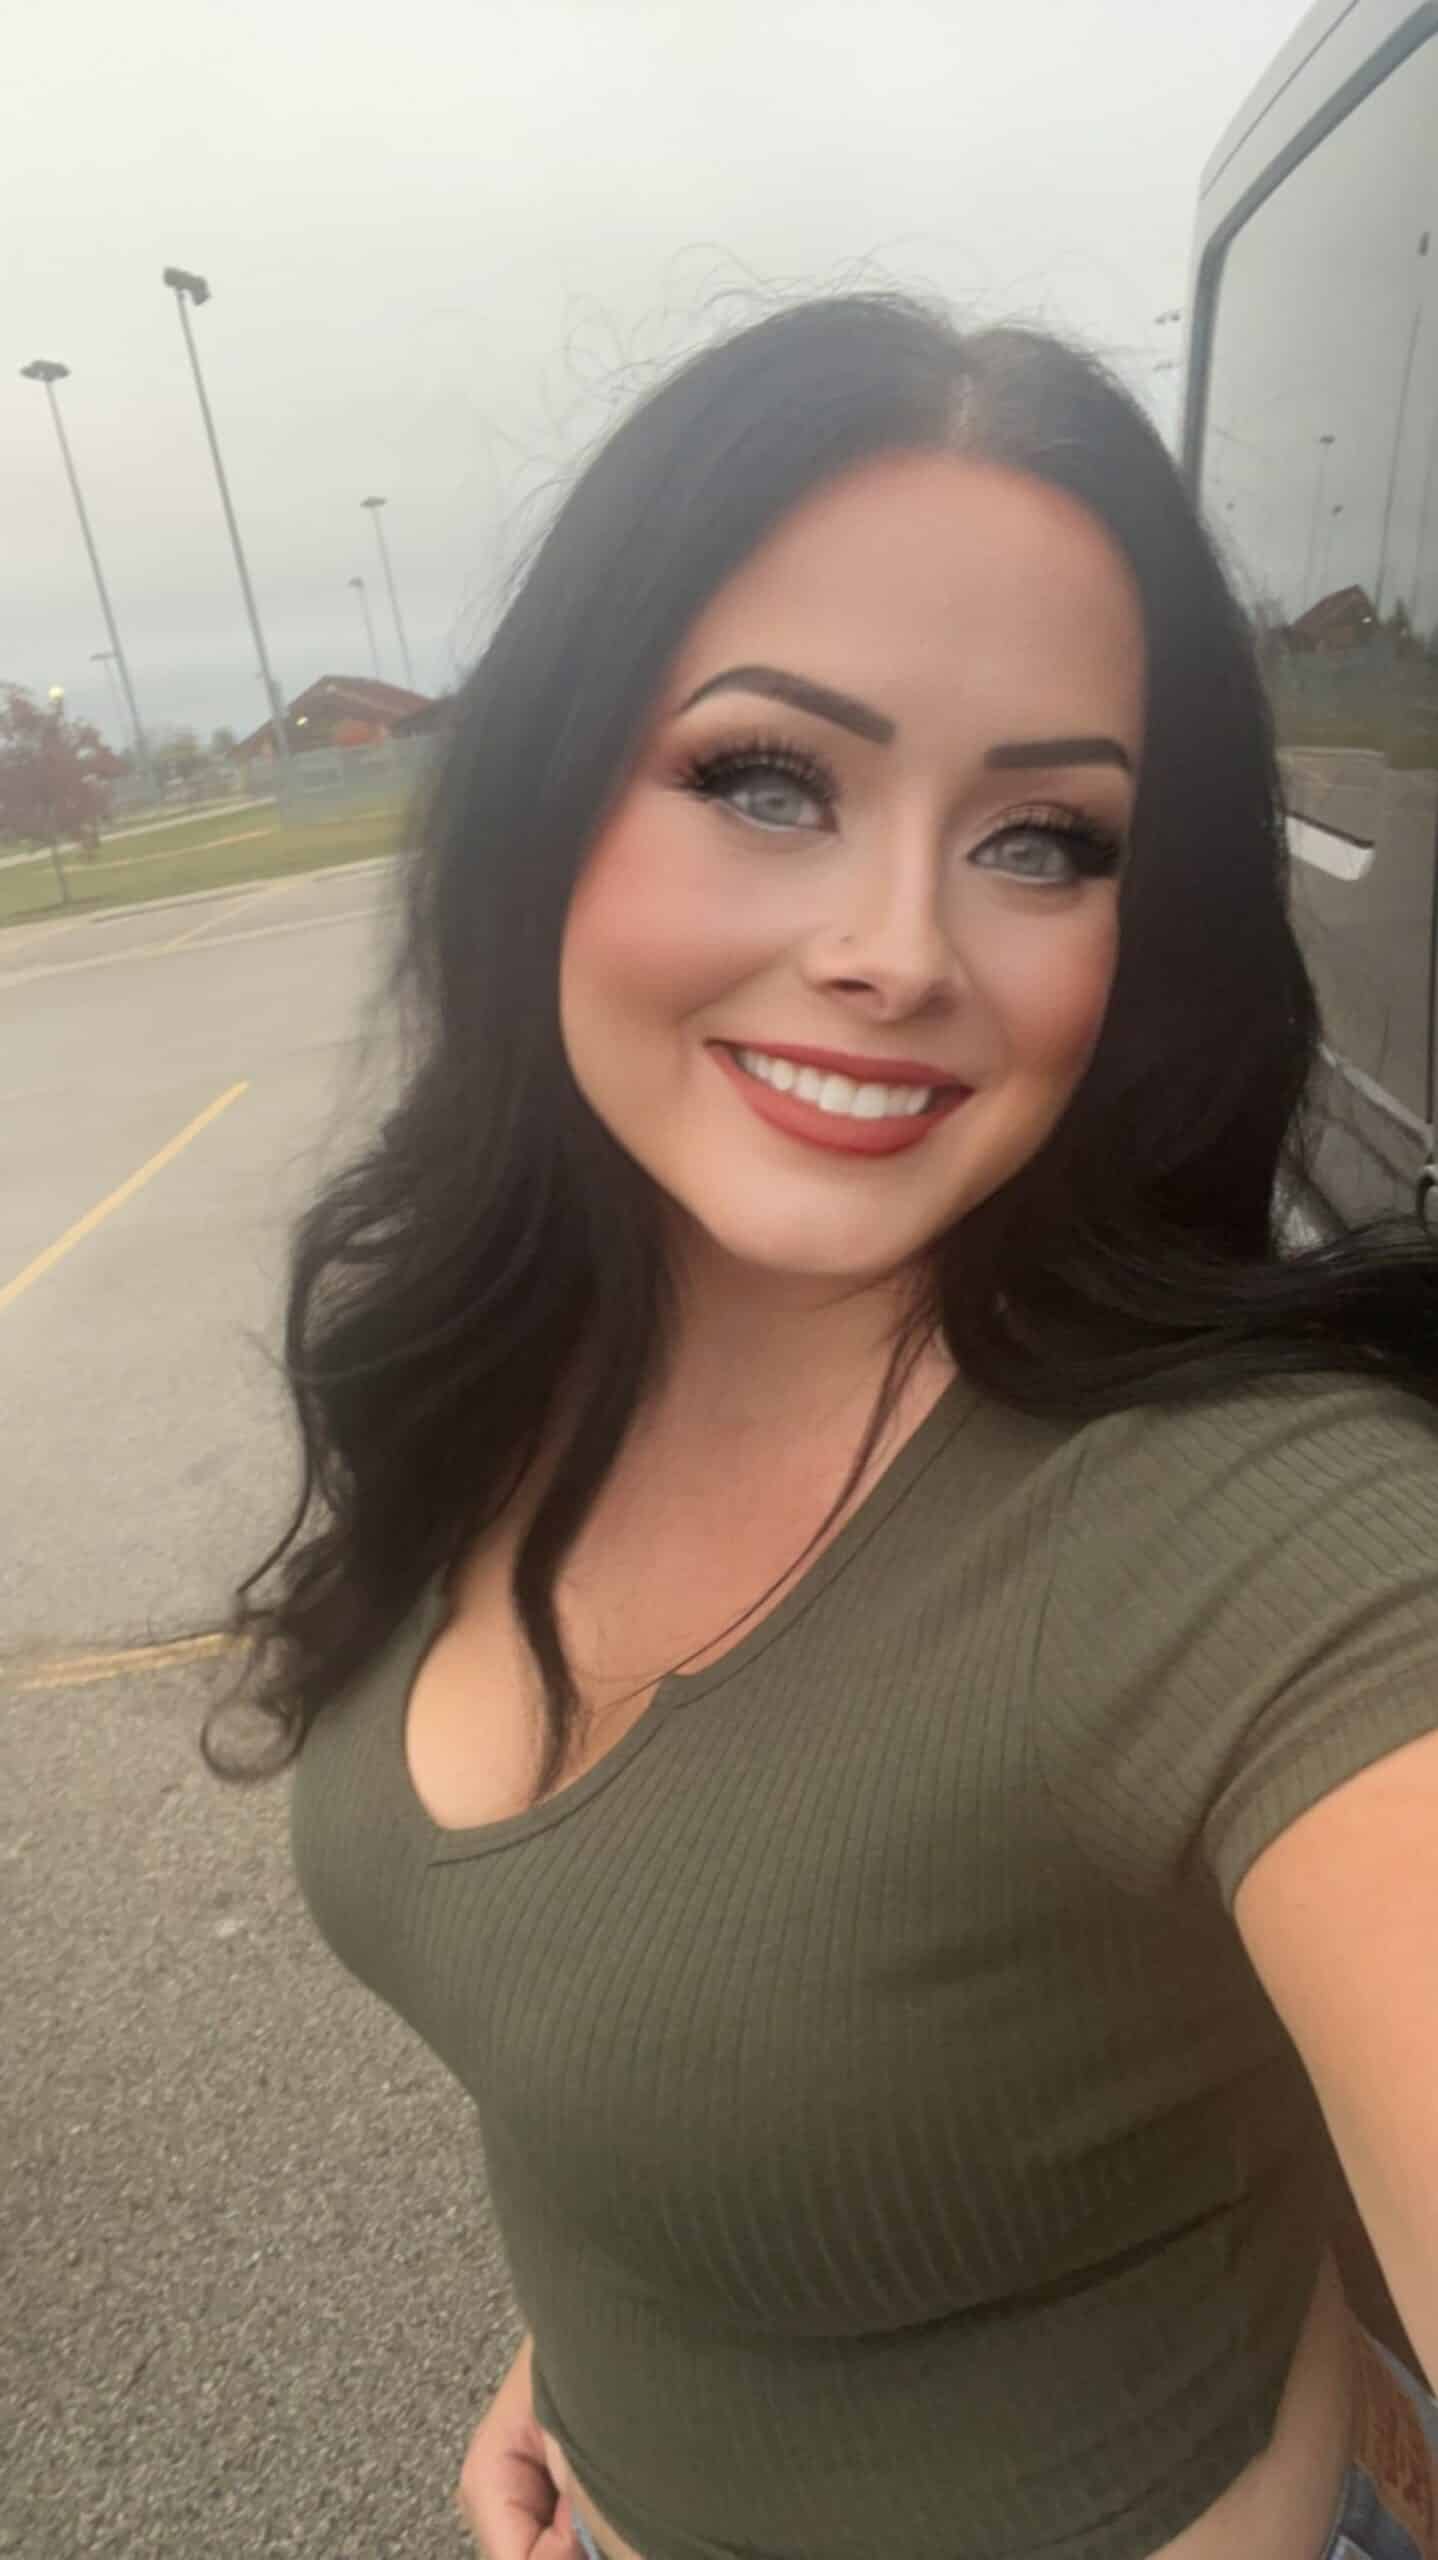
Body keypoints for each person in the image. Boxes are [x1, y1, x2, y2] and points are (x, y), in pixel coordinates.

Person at [212, 294, 1438, 2560]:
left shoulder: (1263, 1535)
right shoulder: (507, 1352)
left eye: (1041, 837)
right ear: (548, 794)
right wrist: (615, 2331)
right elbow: (693, 2040)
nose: (898, 948)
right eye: (768, 782)